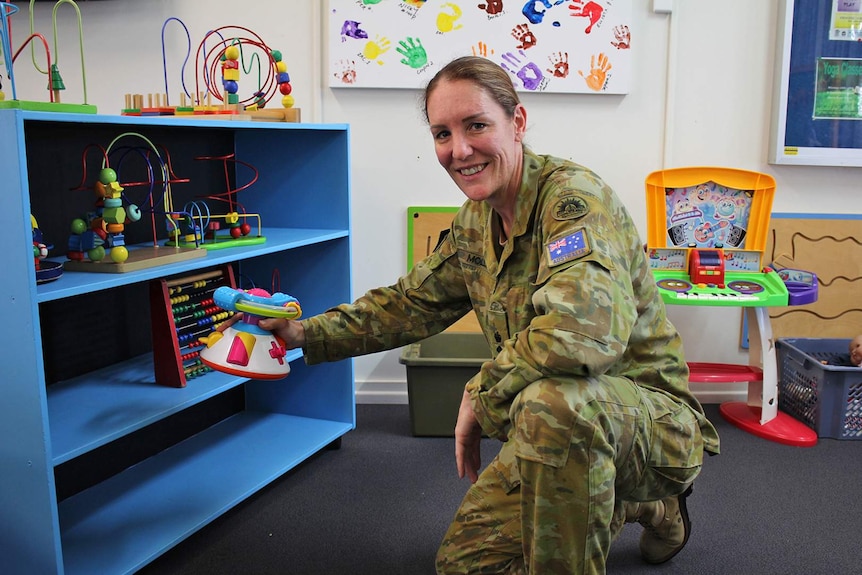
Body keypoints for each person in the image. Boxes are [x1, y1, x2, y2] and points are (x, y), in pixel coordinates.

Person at [241, 55, 720, 574]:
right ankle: (636, 506)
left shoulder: (574, 201)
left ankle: (653, 493)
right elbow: (409, 304)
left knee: (555, 404)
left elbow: (584, 335)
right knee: (464, 565)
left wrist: (481, 391)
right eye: (442, 133)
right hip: (554, 430)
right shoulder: (476, 220)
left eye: (476, 126)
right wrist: (303, 332)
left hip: (654, 427)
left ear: (517, 122)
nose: (459, 150)